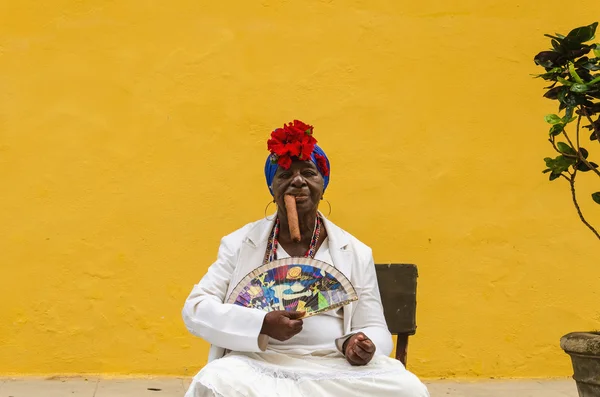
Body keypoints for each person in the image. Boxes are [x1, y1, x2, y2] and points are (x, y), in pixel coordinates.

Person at [182, 120, 429, 397]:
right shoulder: (239, 244)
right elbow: (196, 309)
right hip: (258, 364)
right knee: (217, 380)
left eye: (308, 173)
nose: (297, 181)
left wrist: (358, 343)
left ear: (322, 186)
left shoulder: (355, 251)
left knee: (406, 389)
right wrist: (262, 323)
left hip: (334, 367)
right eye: (285, 174)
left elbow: (375, 328)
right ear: (272, 188)